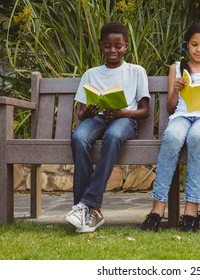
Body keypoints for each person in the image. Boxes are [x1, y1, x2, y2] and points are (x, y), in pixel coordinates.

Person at [141, 23, 200, 232]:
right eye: (194, 44)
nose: (198, 49)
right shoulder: (176, 68)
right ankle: (157, 209)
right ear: (187, 45)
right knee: (172, 137)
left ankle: (191, 210)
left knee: (197, 137)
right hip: (182, 115)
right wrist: (176, 91)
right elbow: (171, 108)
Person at [65, 22, 150, 233]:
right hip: (97, 118)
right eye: (107, 45)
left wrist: (123, 113)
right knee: (79, 138)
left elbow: (145, 110)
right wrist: (90, 112)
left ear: (126, 46)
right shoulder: (91, 74)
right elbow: (80, 114)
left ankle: (85, 205)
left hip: (124, 120)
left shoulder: (136, 71)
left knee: (112, 136)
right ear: (101, 46)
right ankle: (88, 210)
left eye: (118, 45)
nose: (113, 50)